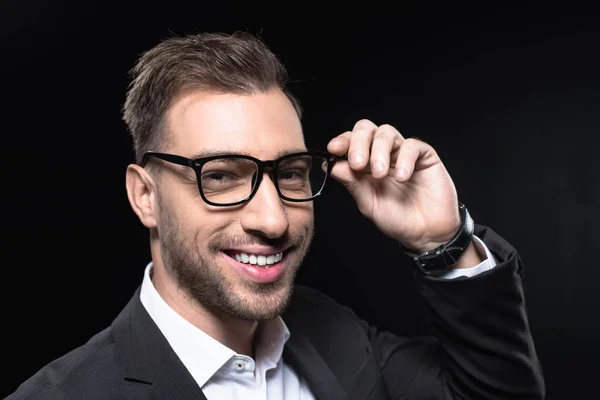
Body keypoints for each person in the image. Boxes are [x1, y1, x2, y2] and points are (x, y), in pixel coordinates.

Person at [6, 31, 545, 400]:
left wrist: (442, 239)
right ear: (144, 196)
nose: (274, 220)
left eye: (288, 172)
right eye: (219, 175)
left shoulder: (334, 333)